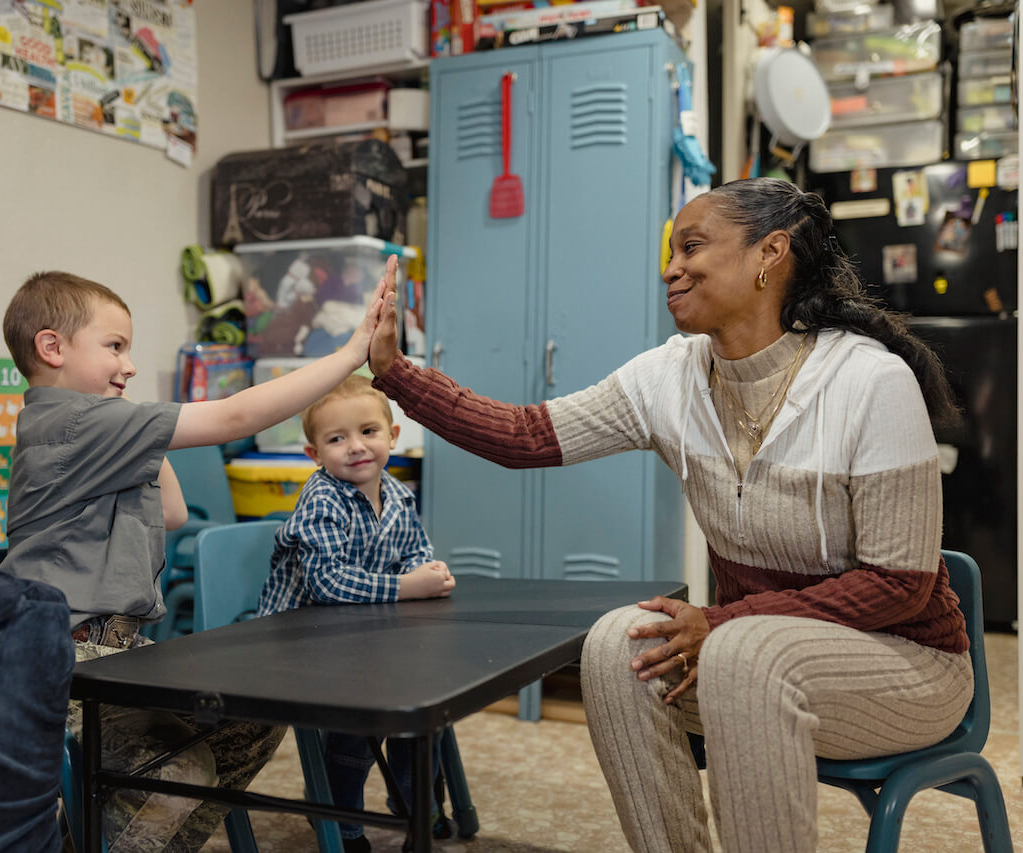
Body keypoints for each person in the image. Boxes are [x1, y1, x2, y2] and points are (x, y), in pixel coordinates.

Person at [366, 177, 972, 853]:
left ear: (769, 253)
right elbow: (526, 435)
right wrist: (396, 373)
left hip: (908, 666)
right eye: (670, 249)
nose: (669, 267)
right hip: (748, 657)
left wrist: (721, 622)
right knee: (616, 648)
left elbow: (901, 585)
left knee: (743, 656)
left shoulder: (870, 381)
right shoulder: (670, 376)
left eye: (692, 246)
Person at [0, 261, 393, 851]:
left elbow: (172, 515)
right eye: (114, 347)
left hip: (116, 647)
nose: (128, 364)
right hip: (63, 656)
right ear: (52, 348)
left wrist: (144, 430)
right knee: (182, 774)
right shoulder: (67, 420)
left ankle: (108, 834)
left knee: (258, 717)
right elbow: (235, 417)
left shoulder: (94, 428)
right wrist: (350, 354)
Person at [257, 373, 456, 853]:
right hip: (302, 641)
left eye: (368, 431)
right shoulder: (322, 499)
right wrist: (408, 586)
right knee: (355, 724)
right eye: (336, 438)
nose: (355, 447)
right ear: (314, 454)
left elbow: (413, 552)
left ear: (392, 436)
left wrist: (426, 573)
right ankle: (343, 822)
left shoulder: (398, 494)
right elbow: (327, 582)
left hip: (366, 632)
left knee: (424, 706)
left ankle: (414, 805)